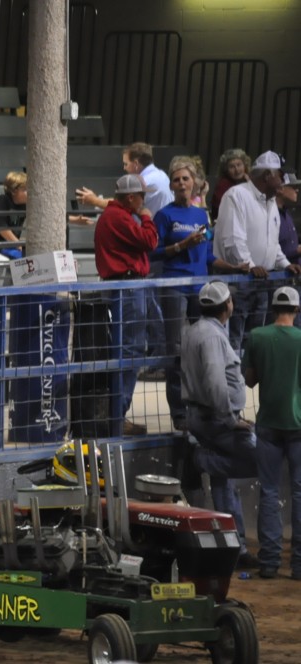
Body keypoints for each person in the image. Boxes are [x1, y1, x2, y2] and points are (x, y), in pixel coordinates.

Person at [153, 159, 244, 429]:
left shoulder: (200, 216)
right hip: (174, 286)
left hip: (199, 289)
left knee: (210, 345)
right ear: (171, 185)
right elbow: (153, 252)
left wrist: (233, 267)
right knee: (176, 351)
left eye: (185, 179)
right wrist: (181, 245)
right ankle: (179, 415)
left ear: (195, 184)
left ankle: (208, 408)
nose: (181, 183)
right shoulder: (165, 215)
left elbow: (208, 256)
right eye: (176, 180)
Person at [180, 280, 259, 569]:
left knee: (224, 481)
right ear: (227, 306)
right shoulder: (212, 336)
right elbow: (215, 382)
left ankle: (234, 548)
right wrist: (230, 419)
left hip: (204, 416)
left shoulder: (195, 330)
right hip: (215, 418)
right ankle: (200, 460)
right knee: (264, 459)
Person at [213, 150, 301, 350]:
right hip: (239, 281)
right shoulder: (237, 195)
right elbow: (234, 240)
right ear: (267, 176)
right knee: (234, 341)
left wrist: (286, 264)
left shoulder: (270, 202)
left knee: (254, 342)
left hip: (262, 282)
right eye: (279, 175)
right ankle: (233, 381)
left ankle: (246, 380)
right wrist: (251, 266)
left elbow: (273, 244)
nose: (282, 180)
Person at [93, 174, 159, 436]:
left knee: (134, 348)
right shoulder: (119, 217)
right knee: (130, 351)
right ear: (131, 197)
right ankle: (117, 416)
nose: (145, 200)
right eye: (142, 196)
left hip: (130, 286)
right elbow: (150, 241)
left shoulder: (115, 216)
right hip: (128, 287)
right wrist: (146, 217)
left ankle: (117, 415)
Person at [242, 285, 301, 580]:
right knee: (300, 492)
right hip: (298, 425)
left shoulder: (257, 337)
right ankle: (300, 564)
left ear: (274, 308)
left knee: (268, 490)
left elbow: (250, 380)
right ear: (296, 310)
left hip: (268, 424)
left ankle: (269, 562)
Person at [211, 148, 251, 221]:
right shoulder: (222, 185)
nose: (237, 170)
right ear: (226, 170)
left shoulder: (251, 181)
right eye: (232, 167)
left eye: (239, 165)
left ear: (245, 165)